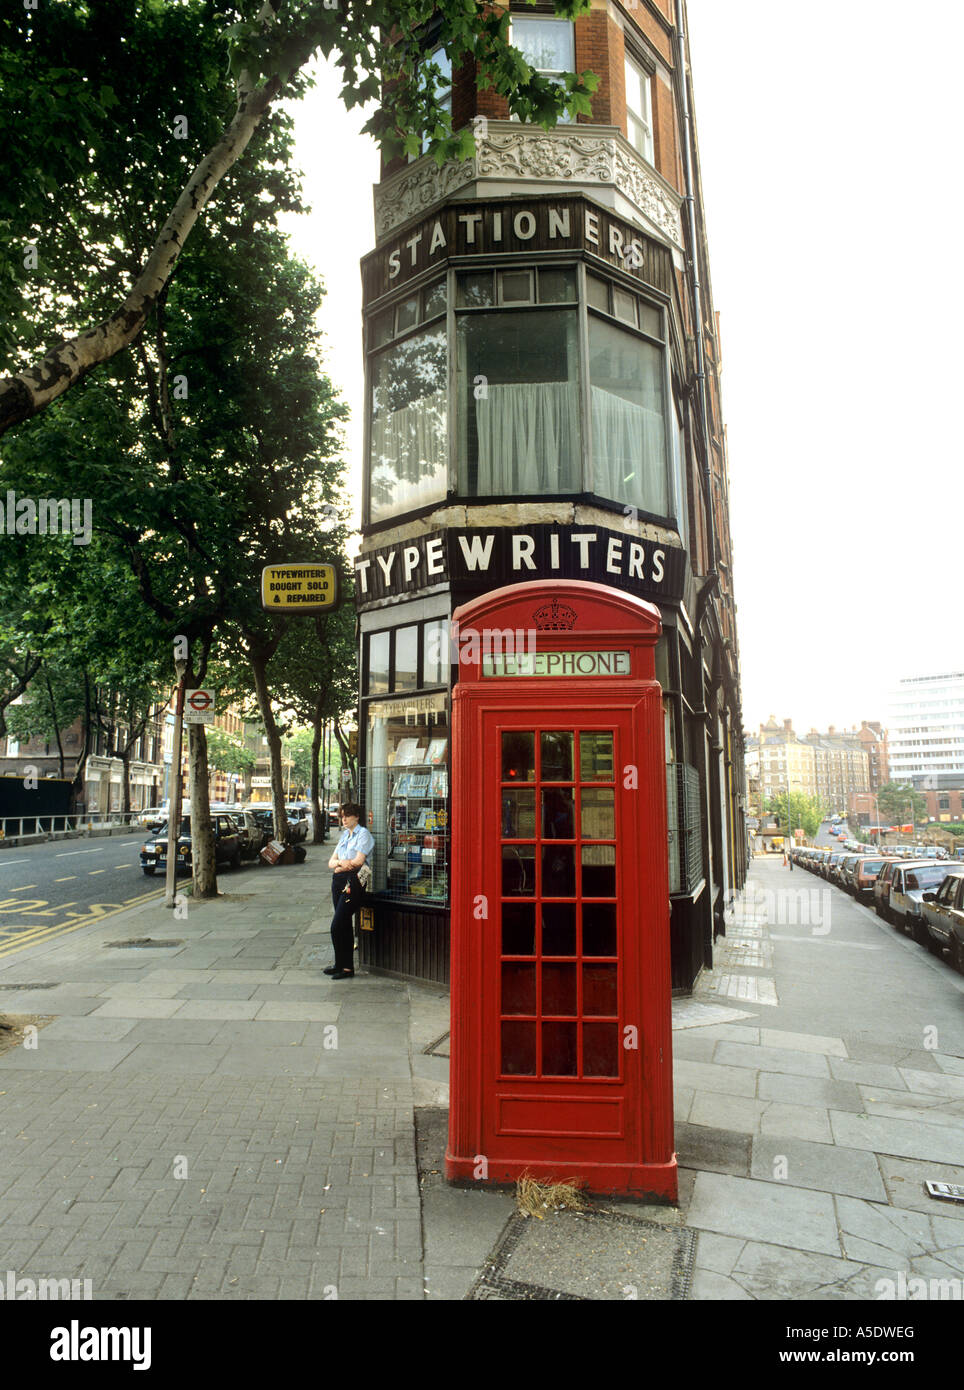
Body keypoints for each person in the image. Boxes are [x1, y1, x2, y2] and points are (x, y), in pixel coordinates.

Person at [325, 802, 374, 980]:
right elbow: (331, 862)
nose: (343, 819)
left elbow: (359, 862)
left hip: (353, 881)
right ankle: (343, 965)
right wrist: (341, 864)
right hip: (338, 881)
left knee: (336, 925)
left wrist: (341, 865)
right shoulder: (345, 836)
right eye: (341, 816)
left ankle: (345, 965)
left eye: (347, 815)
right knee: (344, 924)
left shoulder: (364, 834)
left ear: (357, 817)